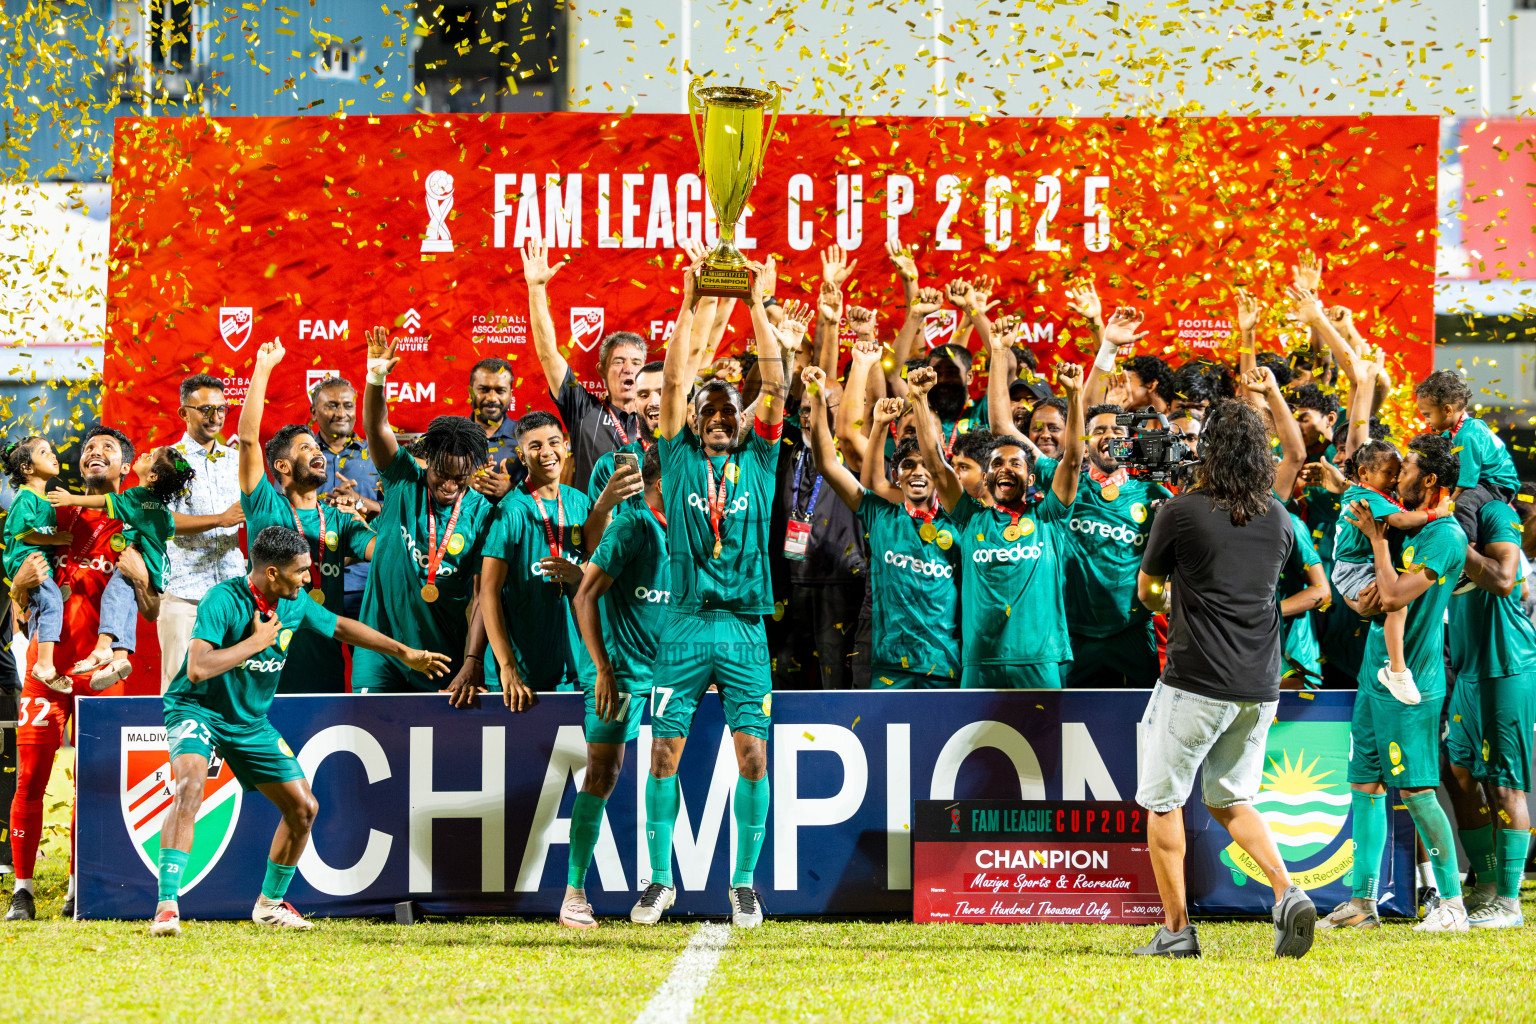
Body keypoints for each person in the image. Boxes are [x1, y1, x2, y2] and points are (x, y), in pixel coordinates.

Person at [148, 526, 451, 937]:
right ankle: (167, 906)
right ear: (272, 573)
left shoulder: (295, 604)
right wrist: (256, 643)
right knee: (190, 786)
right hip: (197, 708)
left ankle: (270, 905)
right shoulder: (224, 600)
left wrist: (405, 653)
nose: (308, 578)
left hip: (249, 722)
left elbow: (342, 626)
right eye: (301, 571)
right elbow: (198, 668)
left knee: (304, 808)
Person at [636, 256, 791, 929]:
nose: (722, 416)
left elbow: (777, 385)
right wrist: (688, 300)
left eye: (732, 408)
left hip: (746, 627)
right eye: (711, 409)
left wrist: (757, 304)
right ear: (695, 421)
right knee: (664, 751)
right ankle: (658, 881)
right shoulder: (676, 456)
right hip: (686, 627)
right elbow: (672, 378)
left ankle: (745, 883)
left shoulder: (759, 456)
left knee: (752, 753)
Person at [1132, 399, 1317, 960]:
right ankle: (1287, 892)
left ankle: (1176, 930)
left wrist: (1169, 599)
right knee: (1230, 798)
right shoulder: (1280, 517)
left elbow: (1148, 592)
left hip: (1195, 680)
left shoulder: (1181, 511)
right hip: (1260, 685)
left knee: (1164, 803)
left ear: (1209, 451)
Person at [4, 425, 156, 921]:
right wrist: (16, 588)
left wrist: (139, 580)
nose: (93, 452)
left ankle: (78, 886)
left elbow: (151, 609)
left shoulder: (136, 523)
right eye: (88, 448)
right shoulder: (54, 511)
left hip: (103, 673)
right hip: (46, 674)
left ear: (125, 467)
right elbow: (23, 594)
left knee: (93, 782)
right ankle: (22, 891)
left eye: (107, 449)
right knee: (30, 779)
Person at [1326, 432, 1469, 933]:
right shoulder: (1403, 519)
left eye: (1403, 469)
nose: (1396, 477)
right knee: (1364, 784)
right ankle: (1362, 903)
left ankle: (1451, 903)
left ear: (1428, 479)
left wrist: (1378, 543)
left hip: (1413, 681)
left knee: (1417, 791)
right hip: (1374, 674)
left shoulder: (1446, 536)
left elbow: (1389, 596)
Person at [912, 291, 1087, 688]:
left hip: (1039, 663)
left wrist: (1075, 396)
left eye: (1016, 463)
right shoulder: (971, 517)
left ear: (1031, 476)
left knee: (1046, 752)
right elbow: (939, 470)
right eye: (996, 464)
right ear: (987, 478)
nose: (1005, 469)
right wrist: (920, 400)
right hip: (980, 664)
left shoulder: (1050, 518)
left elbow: (1073, 459)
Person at [355, 327, 497, 695]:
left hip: (443, 653)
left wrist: (473, 660)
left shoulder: (483, 512)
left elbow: (483, 594)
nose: (449, 485)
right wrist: (375, 377)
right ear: (426, 460)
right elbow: (376, 427)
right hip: (379, 647)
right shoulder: (404, 477)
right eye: (442, 475)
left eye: (460, 479)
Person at [563, 444, 670, 928]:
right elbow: (585, 593)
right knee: (603, 774)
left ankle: (660, 882)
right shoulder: (631, 526)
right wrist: (603, 668)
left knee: (666, 768)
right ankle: (574, 893)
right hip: (621, 669)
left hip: (670, 669)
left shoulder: (695, 530)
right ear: (660, 482)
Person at [469, 410, 638, 701]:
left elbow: (590, 555)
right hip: (518, 673)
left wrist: (605, 507)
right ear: (522, 457)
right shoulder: (510, 512)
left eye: (553, 442)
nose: (547, 452)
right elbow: (487, 592)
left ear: (566, 446)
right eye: (535, 446)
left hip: (568, 668)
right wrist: (507, 667)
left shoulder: (578, 500)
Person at [239, 341, 378, 692]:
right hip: (267, 662)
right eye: (306, 448)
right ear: (283, 466)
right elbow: (247, 441)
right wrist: (264, 368)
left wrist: (386, 511)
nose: (317, 451)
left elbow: (382, 550)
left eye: (316, 448)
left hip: (325, 664)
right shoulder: (265, 505)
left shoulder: (340, 520)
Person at [808, 381, 960, 688]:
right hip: (884, 660)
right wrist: (816, 400)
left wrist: (918, 397)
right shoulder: (879, 513)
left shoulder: (961, 520)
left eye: (926, 465)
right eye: (908, 465)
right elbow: (826, 463)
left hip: (941, 663)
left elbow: (943, 471)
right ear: (896, 474)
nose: (918, 472)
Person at [1443, 494, 1535, 929]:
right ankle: (1487, 882)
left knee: (1504, 784)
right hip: (1469, 667)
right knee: (1458, 771)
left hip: (1506, 665)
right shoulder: (1440, 518)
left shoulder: (1495, 513)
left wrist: (1452, 537)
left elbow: (1502, 579)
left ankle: (1510, 902)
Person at [46, 446, 197, 691]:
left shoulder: (137, 497)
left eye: (150, 457)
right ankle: (120, 658)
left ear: (153, 477)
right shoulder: (161, 507)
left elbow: (105, 502)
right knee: (126, 605)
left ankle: (103, 648)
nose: (144, 454)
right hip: (157, 565)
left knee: (114, 596)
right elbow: (168, 529)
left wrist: (71, 499)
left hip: (138, 560)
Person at [522, 242, 646, 491]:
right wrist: (536, 288)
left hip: (648, 526)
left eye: (636, 363)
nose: (628, 369)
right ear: (601, 370)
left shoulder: (658, 416)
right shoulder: (582, 408)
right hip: (595, 526)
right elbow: (548, 355)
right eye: (618, 361)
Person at [1327, 440, 1440, 704]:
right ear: (1364, 473)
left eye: (1398, 472)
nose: (1393, 479)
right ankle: (1397, 671)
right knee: (1396, 605)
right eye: (1388, 473)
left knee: (1393, 603)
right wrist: (1437, 513)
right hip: (1353, 568)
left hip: (1357, 566)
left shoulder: (1371, 493)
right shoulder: (1367, 496)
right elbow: (1400, 520)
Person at [160, 373, 246, 693]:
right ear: (184, 412)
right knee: (180, 689)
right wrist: (220, 520)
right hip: (185, 595)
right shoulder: (167, 460)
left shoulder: (237, 460)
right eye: (205, 410)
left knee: (232, 693)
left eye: (221, 409)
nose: (215, 417)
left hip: (233, 591)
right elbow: (161, 521)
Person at [1414, 370, 1519, 556]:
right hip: (1481, 480)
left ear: (1447, 410)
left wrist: (1445, 505)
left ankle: (1468, 548)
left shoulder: (1467, 436)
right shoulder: (1453, 432)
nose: (1426, 421)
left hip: (1495, 483)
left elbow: (1464, 484)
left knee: (1462, 504)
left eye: (1428, 414)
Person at [309, 375, 384, 620]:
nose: (341, 413)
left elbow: (395, 513)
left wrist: (358, 502)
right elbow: (281, 512)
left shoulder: (378, 456)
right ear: (313, 412)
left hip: (364, 584)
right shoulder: (297, 455)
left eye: (348, 405)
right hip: (311, 580)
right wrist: (320, 504)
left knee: (366, 657)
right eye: (332, 405)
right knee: (318, 658)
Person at [2, 437, 72, 688]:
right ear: (27, 468)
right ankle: (44, 665)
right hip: (26, 561)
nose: (53, 455)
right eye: (44, 452)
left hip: (42, 563)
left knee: (44, 608)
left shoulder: (47, 499)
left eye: (52, 451)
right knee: (52, 603)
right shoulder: (25, 498)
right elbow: (23, 533)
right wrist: (55, 539)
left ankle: (37, 655)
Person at [586, 360, 665, 502]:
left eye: (662, 393)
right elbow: (594, 524)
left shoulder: (701, 459)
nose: (653, 402)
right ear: (635, 404)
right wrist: (606, 504)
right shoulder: (610, 466)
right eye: (644, 395)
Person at [465, 357, 529, 504]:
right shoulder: (451, 436)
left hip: (513, 526)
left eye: (500, 391)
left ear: (511, 395)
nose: (492, 398)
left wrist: (510, 491)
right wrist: (465, 485)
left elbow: (546, 493)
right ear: (470, 392)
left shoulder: (527, 436)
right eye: (484, 390)